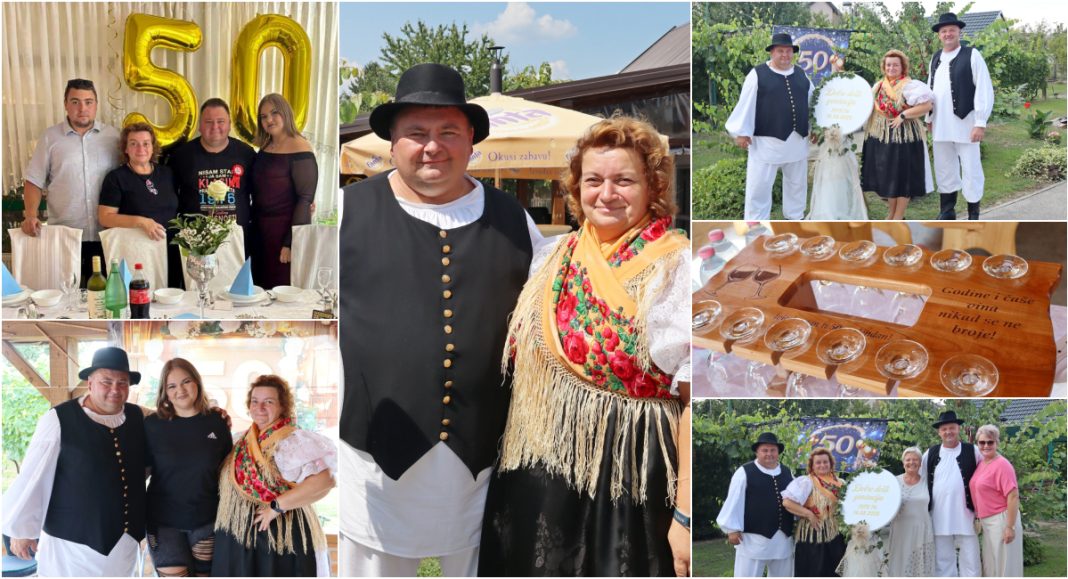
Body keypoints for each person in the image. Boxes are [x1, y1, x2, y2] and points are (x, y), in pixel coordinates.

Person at [337, 63, 541, 577]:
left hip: (479, 449)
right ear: (391, 143)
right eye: (417, 133)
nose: (433, 146)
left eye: (449, 131)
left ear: (471, 140)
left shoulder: (515, 218)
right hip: (377, 456)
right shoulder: (346, 212)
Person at [478, 116, 692, 577]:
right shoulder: (551, 255)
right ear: (576, 189)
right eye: (593, 180)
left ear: (653, 187)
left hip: (628, 473)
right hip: (539, 466)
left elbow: (694, 397)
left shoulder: (677, 266)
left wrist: (686, 516)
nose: (606, 194)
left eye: (624, 180)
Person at [1, 347, 146, 576]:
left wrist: (210, 414)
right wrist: (22, 530)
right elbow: (34, 476)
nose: (115, 390)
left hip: (123, 544)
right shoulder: (58, 420)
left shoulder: (137, 416)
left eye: (123, 382)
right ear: (90, 383)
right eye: (106, 382)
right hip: (71, 546)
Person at [211, 374, 335, 576]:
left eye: (268, 402)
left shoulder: (293, 441)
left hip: (279, 535)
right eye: (255, 401)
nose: (259, 408)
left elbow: (325, 481)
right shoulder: (240, 440)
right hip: (237, 535)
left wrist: (275, 507)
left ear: (282, 407)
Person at [21, 78, 120, 286]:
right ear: (65, 104)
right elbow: (34, 181)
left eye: (88, 102)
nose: (82, 108)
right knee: (68, 299)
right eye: (75, 102)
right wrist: (31, 215)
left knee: (107, 298)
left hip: (108, 236)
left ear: (96, 104)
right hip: (66, 237)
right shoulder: (50, 138)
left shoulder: (113, 137)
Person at [144, 358, 232, 577]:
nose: (180, 390)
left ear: (197, 383)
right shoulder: (152, 425)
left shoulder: (217, 422)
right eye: (172, 386)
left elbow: (228, 472)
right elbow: (141, 471)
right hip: (162, 521)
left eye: (186, 382)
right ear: (164, 391)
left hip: (206, 519)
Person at [726, 33, 814, 220]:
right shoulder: (757, 74)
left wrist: (815, 129)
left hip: (797, 141)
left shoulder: (801, 73)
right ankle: (757, 224)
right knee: (759, 186)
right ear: (772, 52)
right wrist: (741, 132)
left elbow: (812, 102)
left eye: (788, 51)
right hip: (767, 142)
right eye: (780, 51)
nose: (785, 55)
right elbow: (746, 103)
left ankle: (795, 218)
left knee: (797, 184)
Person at [927, 13, 995, 220]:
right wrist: (928, 118)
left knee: (971, 168)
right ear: (939, 35)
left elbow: (984, 89)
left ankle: (973, 213)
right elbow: (930, 89)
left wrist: (980, 122)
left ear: (959, 32)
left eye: (951, 30)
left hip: (966, 123)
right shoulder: (935, 57)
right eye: (944, 31)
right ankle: (947, 211)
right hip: (940, 124)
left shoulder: (972, 55)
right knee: (944, 167)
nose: (947, 34)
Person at [167, 98, 256, 255]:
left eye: (220, 121)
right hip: (195, 241)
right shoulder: (181, 156)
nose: (215, 127)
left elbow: (260, 193)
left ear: (229, 125)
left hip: (236, 240)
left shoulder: (246, 154)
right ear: (200, 126)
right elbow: (168, 197)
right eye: (208, 122)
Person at [99, 122, 183, 288]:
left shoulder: (167, 173)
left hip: (171, 250)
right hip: (137, 254)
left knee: (170, 300)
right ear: (125, 148)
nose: (140, 148)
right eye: (133, 143)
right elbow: (105, 217)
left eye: (146, 143)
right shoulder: (116, 178)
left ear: (153, 147)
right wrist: (142, 221)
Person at [249, 93, 317, 288]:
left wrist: (290, 242)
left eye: (274, 113)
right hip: (260, 232)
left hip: (283, 234)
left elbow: (304, 199)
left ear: (285, 113)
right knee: (258, 289)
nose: (269, 120)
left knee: (280, 291)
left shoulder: (300, 146)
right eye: (263, 116)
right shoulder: (265, 146)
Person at [860, 50, 935, 220]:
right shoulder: (878, 86)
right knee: (889, 177)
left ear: (903, 67)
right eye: (888, 65)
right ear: (884, 67)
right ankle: (891, 214)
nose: (891, 68)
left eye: (895, 65)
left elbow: (927, 106)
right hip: (883, 137)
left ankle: (898, 216)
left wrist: (903, 115)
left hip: (905, 138)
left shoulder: (910, 86)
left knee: (903, 178)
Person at [716, 432, 795, 577]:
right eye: (765, 450)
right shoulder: (745, 472)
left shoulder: (787, 472)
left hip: (783, 540)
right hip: (754, 540)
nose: (769, 454)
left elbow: (795, 500)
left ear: (778, 452)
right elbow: (734, 500)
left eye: (773, 450)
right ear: (757, 451)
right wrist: (731, 529)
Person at [921, 410, 982, 577]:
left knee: (970, 557)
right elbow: (919, 478)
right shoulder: (931, 453)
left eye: (952, 428)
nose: (948, 432)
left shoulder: (973, 451)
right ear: (939, 432)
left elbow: (985, 476)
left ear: (958, 429)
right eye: (944, 429)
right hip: (939, 514)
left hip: (966, 514)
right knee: (942, 559)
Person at [781, 447, 846, 577]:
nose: (822, 465)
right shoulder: (806, 482)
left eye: (825, 462)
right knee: (813, 570)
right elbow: (787, 502)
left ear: (831, 463)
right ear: (812, 465)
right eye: (818, 462)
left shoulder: (840, 483)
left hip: (835, 535)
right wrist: (808, 514)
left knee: (835, 570)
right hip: (812, 535)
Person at [970, 424, 1024, 577]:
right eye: (982, 442)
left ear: (996, 443)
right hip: (988, 522)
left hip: (1001, 520)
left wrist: (1010, 527)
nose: (986, 446)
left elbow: (1013, 496)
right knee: (991, 567)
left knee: (1004, 567)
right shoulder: (982, 463)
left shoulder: (1002, 465)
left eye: (990, 442)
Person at [886, 446, 935, 576]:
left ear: (920, 463)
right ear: (903, 463)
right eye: (908, 460)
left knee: (920, 567)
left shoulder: (928, 482)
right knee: (898, 563)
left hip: (922, 530)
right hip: (900, 530)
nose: (911, 462)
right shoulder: (894, 481)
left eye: (915, 460)